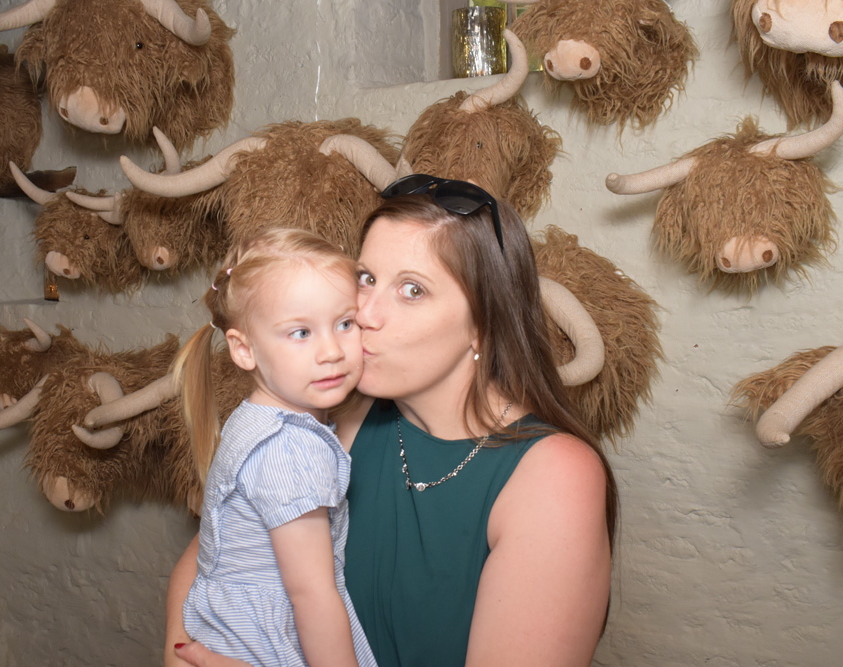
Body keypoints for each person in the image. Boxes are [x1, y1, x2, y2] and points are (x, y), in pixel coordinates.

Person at [167, 175, 619, 667]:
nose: (364, 314)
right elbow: (218, 553)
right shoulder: (343, 412)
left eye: (411, 290)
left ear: (484, 325)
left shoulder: (556, 477)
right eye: (365, 279)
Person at [170, 227, 376, 666]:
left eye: (345, 323)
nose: (332, 351)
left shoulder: (260, 417)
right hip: (267, 643)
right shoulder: (289, 449)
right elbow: (312, 593)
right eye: (300, 333)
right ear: (244, 350)